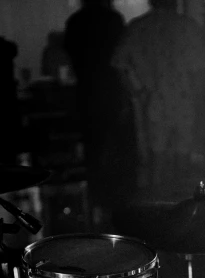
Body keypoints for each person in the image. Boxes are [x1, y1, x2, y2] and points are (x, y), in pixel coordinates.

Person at [111, 0, 205, 190]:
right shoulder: (187, 26)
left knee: (155, 164)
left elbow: (118, 64)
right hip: (184, 102)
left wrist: (137, 91)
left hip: (152, 102)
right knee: (182, 162)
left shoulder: (139, 27)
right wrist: (199, 101)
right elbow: (200, 71)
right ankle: (180, 208)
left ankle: (156, 211)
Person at [64, 0, 126, 226]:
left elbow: (71, 55)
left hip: (87, 93)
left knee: (93, 151)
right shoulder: (113, 20)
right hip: (110, 92)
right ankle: (117, 206)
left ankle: (96, 205)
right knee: (118, 149)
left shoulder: (76, 21)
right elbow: (121, 58)